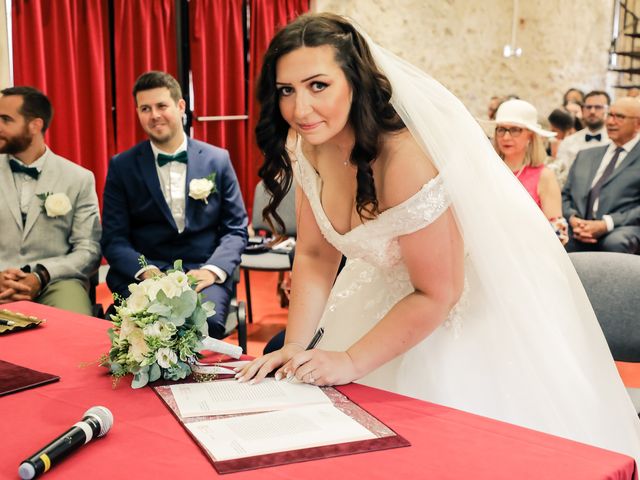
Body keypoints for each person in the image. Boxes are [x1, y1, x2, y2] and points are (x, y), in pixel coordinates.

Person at [236, 13, 640, 460]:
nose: (300, 109)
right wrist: (295, 347)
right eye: (286, 90)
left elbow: (439, 292)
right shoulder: (306, 143)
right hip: (377, 299)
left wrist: (350, 361)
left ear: (355, 81)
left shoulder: (404, 157)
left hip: (457, 313)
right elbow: (314, 255)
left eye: (318, 86)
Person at [101, 71, 248, 338]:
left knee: (203, 326)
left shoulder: (218, 160)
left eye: (161, 106)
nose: (154, 115)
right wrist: (144, 270)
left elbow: (236, 229)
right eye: (145, 108)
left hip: (201, 271)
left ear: (181, 107)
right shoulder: (122, 166)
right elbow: (114, 238)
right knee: (141, 327)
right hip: (145, 275)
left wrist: (211, 271)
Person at [0, 86, 101, 315]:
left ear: (35, 125)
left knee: (76, 329)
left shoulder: (79, 178)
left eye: (6, 119)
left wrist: (41, 275)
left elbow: (89, 249)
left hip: (56, 281)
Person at [562, 96, 640, 254]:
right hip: (579, 226)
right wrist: (573, 219)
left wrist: (607, 224)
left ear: (638, 124)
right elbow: (564, 195)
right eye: (609, 115)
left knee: (615, 243)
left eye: (619, 117)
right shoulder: (586, 155)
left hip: (622, 227)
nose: (610, 122)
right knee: (553, 238)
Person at [492, 99, 567, 243]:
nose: (506, 137)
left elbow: (559, 232)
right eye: (501, 129)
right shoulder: (488, 171)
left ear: (530, 136)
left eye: (515, 130)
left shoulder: (544, 176)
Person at [552, 90, 611, 186]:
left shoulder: (615, 141)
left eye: (598, 107)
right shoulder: (569, 142)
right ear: (583, 110)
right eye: (588, 107)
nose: (592, 111)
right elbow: (560, 175)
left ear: (608, 110)